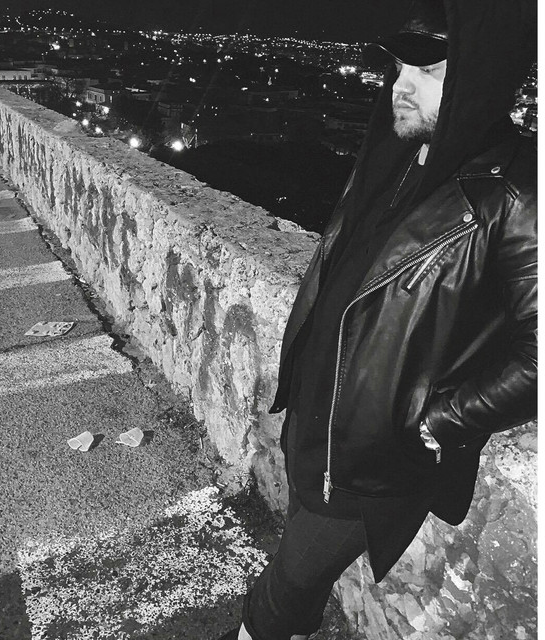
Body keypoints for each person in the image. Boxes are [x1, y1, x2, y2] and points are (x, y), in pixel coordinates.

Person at [217, 0, 537, 638]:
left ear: (479, 77)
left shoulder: (518, 191)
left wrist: (442, 422)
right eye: (398, 67)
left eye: (427, 71)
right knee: (296, 578)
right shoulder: (397, 158)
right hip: (317, 430)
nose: (400, 85)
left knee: (284, 587)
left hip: (374, 461)